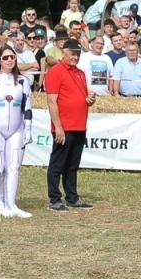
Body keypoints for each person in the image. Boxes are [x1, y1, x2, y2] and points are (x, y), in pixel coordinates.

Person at [0, 46, 35, 219]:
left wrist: (28, 128)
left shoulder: (22, 81)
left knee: (13, 167)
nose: (10, 60)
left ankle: (11, 205)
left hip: (16, 130)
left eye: (12, 57)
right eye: (6, 58)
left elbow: (27, 107)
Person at [44, 39, 96, 212]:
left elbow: (81, 98)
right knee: (58, 164)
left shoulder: (80, 73)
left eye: (78, 54)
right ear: (64, 52)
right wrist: (58, 127)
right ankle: (54, 199)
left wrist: (88, 100)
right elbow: (51, 101)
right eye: (73, 53)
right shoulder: (55, 72)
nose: (75, 57)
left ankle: (72, 198)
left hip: (79, 126)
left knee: (72, 165)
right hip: (65, 127)